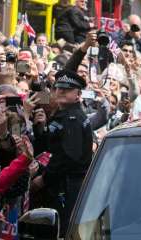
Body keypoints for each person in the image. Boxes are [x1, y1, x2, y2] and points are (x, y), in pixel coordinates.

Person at [31, 70, 93, 237]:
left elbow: (67, 159)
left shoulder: (72, 118)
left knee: (62, 230)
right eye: (59, 88)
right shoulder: (64, 114)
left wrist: (43, 180)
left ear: (78, 94)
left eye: (67, 89)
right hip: (62, 183)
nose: (61, 91)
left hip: (67, 186)